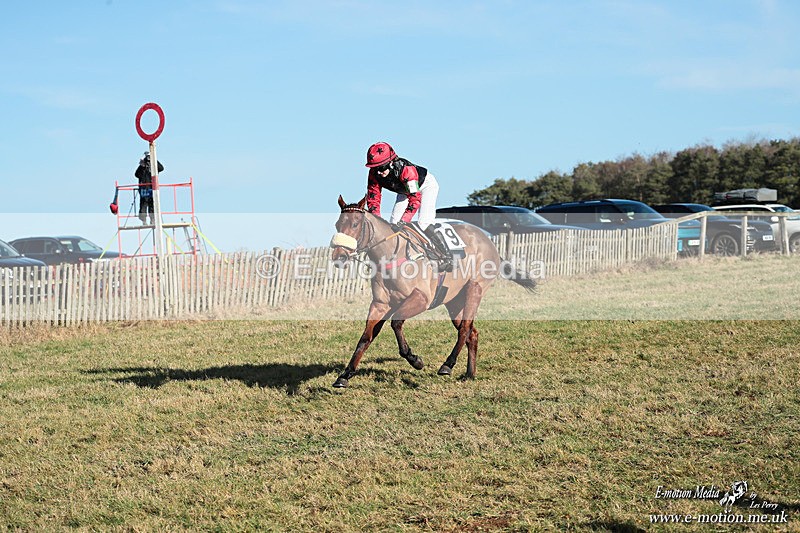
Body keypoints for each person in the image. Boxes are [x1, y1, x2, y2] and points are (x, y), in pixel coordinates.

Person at [365, 141, 452, 271]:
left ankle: (447, 256)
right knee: (393, 224)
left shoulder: (407, 170)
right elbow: (373, 198)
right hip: (404, 191)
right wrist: (376, 220)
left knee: (424, 223)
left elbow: (415, 199)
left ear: (391, 162)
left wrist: (405, 220)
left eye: (381, 168)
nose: (378, 172)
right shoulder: (374, 174)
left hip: (425, 187)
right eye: (375, 168)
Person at [135, 152, 164, 225]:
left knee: (152, 204)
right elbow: (137, 174)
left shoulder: (154, 166)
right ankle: (144, 221)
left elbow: (161, 168)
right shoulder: (142, 167)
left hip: (152, 188)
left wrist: (154, 159)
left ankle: (152, 220)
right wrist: (141, 165)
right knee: (143, 205)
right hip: (144, 189)